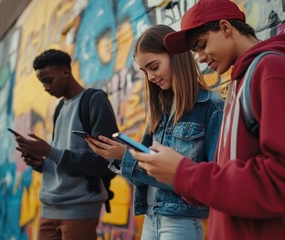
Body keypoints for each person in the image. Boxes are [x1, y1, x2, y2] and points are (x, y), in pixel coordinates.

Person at [130, 0, 285, 239]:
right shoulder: (241, 81)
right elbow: (228, 175)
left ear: (225, 27)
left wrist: (183, 174)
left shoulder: (273, 71)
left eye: (201, 45)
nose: (199, 58)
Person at [85, 24, 224, 240]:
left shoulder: (212, 107)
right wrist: (121, 158)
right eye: (144, 71)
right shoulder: (160, 111)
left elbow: (210, 180)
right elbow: (147, 174)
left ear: (176, 57)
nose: (150, 77)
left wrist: (125, 156)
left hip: (181, 222)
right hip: (151, 217)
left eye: (154, 66)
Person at [15, 49, 119, 240]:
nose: (46, 87)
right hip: (49, 206)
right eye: (42, 83)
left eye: (48, 80)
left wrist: (49, 151)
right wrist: (41, 163)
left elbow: (104, 161)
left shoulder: (94, 100)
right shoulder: (60, 108)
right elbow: (62, 160)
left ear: (65, 72)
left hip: (79, 208)